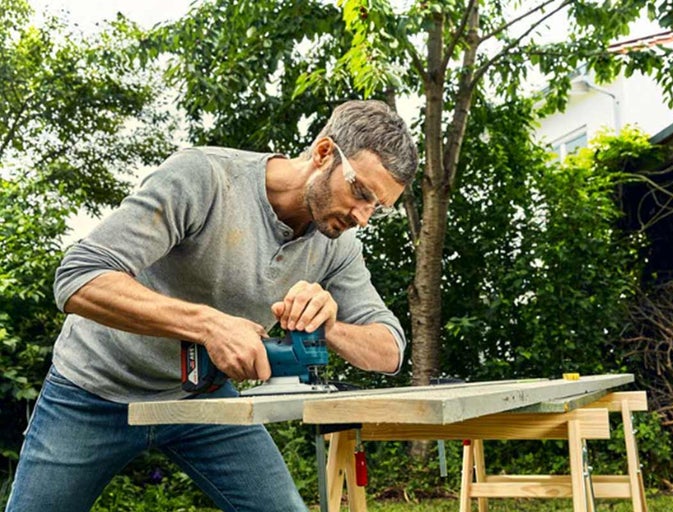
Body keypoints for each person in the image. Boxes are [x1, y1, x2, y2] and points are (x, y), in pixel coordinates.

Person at [5, 99, 419, 512]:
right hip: (93, 388)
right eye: (360, 192)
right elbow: (79, 277)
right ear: (324, 152)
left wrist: (329, 326)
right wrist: (208, 325)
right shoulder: (207, 179)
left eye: (376, 208)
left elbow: (389, 350)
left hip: (203, 397)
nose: (363, 217)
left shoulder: (337, 245)